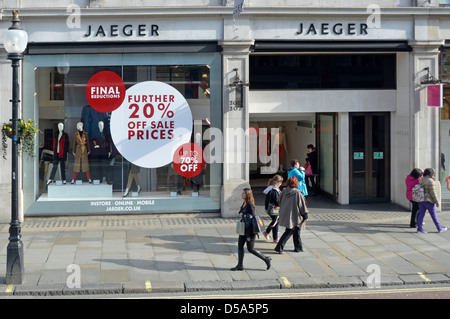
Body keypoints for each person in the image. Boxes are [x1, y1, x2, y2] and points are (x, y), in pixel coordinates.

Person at [231, 188, 272, 271]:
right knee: (240, 247)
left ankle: (266, 259)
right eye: (242, 193)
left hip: (250, 230)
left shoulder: (250, 204)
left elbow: (253, 216)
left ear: (247, 195)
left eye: (243, 193)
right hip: (243, 228)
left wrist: (244, 214)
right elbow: (241, 212)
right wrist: (241, 213)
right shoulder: (244, 203)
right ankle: (240, 265)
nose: (241, 194)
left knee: (251, 249)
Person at [275, 176, 309, 254]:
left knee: (296, 231)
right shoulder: (297, 193)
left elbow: (278, 201)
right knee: (289, 231)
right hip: (295, 216)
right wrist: (305, 216)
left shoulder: (284, 191)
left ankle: (298, 247)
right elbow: (302, 206)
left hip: (286, 214)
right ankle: (279, 247)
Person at [417, 168, 447, 233]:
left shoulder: (421, 180)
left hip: (421, 200)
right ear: (431, 174)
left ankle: (419, 229)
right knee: (434, 215)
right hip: (429, 200)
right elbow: (433, 193)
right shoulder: (431, 181)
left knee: (421, 215)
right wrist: (437, 202)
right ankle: (439, 228)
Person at [263, 175, 283, 243]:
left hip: (269, 208)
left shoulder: (271, 188)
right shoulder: (274, 190)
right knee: (275, 221)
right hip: (274, 209)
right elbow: (276, 201)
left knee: (276, 222)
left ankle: (275, 238)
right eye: (280, 183)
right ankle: (267, 232)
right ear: (278, 182)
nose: (281, 184)